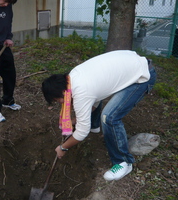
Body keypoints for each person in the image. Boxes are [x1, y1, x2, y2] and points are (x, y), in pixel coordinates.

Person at [41, 50, 156, 181]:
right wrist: (74, 121)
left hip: (141, 77)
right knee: (97, 108)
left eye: (57, 100)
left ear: (62, 91)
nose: (60, 103)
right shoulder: (72, 77)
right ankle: (94, 126)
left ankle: (123, 162)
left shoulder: (81, 91)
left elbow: (81, 133)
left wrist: (63, 147)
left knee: (109, 117)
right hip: (133, 65)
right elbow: (94, 99)